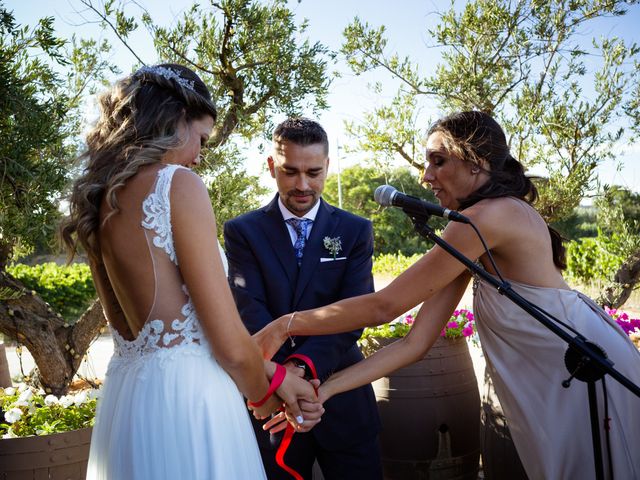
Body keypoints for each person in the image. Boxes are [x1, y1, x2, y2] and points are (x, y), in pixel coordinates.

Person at [256, 111, 640, 479]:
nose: (426, 177)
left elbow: (384, 306)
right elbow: (415, 344)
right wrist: (326, 389)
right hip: (557, 372)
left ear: (477, 162)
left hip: (581, 366)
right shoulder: (472, 230)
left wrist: (286, 324)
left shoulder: (486, 219)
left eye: (438, 161)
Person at [60, 64, 316, 480]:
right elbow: (226, 342)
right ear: (174, 119)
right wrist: (264, 395)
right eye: (200, 138)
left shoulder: (100, 201)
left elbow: (168, 329)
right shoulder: (177, 184)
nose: (198, 156)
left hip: (132, 399)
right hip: (190, 401)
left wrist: (274, 373)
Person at [224, 118, 382, 479]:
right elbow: (251, 309)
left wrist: (299, 370)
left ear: (327, 166)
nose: (303, 185)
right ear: (271, 167)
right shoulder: (242, 231)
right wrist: (280, 380)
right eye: (290, 171)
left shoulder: (355, 230)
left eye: (313, 172)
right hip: (271, 401)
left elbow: (355, 311)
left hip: (341, 394)